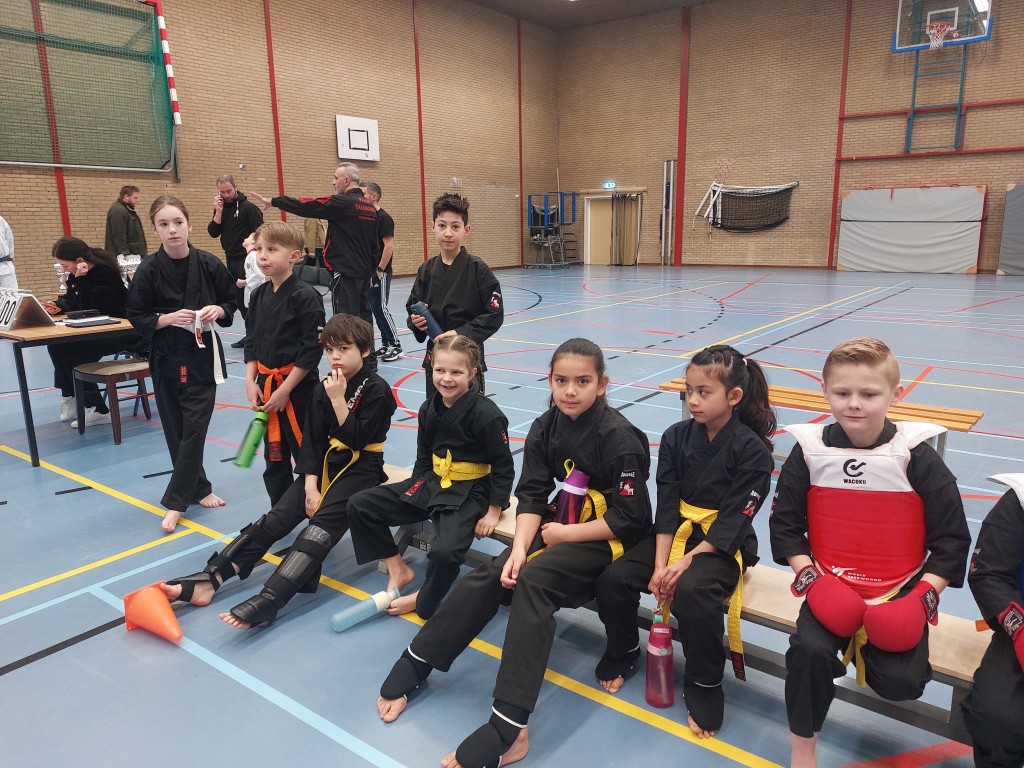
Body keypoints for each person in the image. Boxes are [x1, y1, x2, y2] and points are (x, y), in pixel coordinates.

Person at [374, 338, 651, 768]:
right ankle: (418, 661)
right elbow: (534, 496)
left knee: (534, 583)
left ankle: (510, 726)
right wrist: (520, 549)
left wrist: (564, 536)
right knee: (493, 572)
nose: (570, 390)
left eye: (582, 381)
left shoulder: (619, 437)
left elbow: (632, 517)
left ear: (602, 384)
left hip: (610, 537)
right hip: (561, 523)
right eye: (561, 380)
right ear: (550, 380)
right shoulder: (546, 426)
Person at [768, 337, 971, 768]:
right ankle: (802, 748)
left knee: (901, 682)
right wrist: (812, 580)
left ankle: (872, 647)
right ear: (825, 391)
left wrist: (920, 599)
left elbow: (952, 541)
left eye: (869, 394)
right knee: (808, 652)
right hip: (830, 581)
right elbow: (785, 527)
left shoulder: (917, 459)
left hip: (899, 588)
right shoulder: (809, 452)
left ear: (896, 395)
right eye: (842, 393)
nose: (854, 404)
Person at [159, 314, 397, 629]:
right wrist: (310, 486)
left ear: (365, 350)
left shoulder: (377, 390)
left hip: (362, 469)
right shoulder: (324, 387)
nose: (335, 357)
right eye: (330, 350)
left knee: (317, 531)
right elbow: (313, 441)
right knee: (276, 518)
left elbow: (357, 439)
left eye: (344, 349)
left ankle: (271, 599)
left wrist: (339, 401)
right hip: (326, 465)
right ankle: (210, 578)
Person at [593, 344, 776, 738]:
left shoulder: (753, 451)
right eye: (689, 390)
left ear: (734, 396)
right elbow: (667, 503)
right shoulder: (676, 436)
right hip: (674, 534)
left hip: (721, 544)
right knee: (615, 578)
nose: (692, 400)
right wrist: (661, 564)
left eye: (703, 392)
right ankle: (623, 649)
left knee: (692, 592)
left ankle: (705, 683)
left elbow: (735, 520)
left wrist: (683, 564)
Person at [347, 335, 513, 619]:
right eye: (440, 370)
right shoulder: (428, 408)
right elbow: (424, 456)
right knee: (361, 505)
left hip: (469, 491)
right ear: (430, 369)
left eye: (456, 372)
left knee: (445, 552)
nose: (447, 379)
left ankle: (424, 597)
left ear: (472, 373)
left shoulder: (486, 415)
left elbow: (503, 465)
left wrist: (493, 510)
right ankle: (398, 568)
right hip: (432, 482)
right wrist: (415, 489)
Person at [126, 195, 236, 534]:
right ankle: (199, 488)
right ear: (154, 229)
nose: (172, 229)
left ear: (189, 224)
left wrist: (219, 309)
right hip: (166, 357)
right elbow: (136, 315)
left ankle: (176, 502)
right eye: (164, 224)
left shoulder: (209, 264)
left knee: (195, 428)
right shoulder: (148, 269)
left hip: (201, 356)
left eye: (178, 222)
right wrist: (168, 318)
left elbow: (230, 300)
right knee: (176, 429)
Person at [243, 221, 325, 506]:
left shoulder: (306, 296)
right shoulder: (258, 295)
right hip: (266, 385)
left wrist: (286, 390)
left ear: (294, 256)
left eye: (272, 250)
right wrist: (250, 382)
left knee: (306, 451)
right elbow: (251, 341)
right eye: (259, 249)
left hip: (298, 389)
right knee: (274, 455)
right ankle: (281, 510)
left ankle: (315, 506)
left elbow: (311, 350)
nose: (262, 256)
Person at [251, 163, 377, 326]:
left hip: (345, 272)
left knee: (345, 319)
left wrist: (275, 202)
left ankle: (348, 343)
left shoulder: (342, 202)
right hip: (364, 273)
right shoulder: (369, 208)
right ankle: (366, 344)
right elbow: (375, 245)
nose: (333, 182)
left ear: (346, 181)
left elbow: (307, 205)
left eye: (335, 178)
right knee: (364, 317)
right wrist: (371, 271)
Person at [407, 193, 503, 398]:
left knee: (469, 412)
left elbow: (494, 314)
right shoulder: (426, 270)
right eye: (442, 226)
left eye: (455, 226)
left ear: (466, 230)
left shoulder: (478, 269)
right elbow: (412, 308)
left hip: (465, 355)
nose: (448, 233)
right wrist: (416, 322)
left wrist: (460, 333)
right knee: (434, 409)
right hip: (437, 358)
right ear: (433, 227)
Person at [960, 473, 1024, 768]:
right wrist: (1018, 626)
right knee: (994, 717)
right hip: (1020, 630)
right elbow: (989, 573)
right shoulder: (1021, 498)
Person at [43, 237, 142, 427]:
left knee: (73, 354)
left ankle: (97, 409)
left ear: (79, 261)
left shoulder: (105, 273)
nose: (64, 269)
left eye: (65, 265)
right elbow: (72, 300)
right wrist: (57, 305)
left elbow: (92, 308)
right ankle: (70, 395)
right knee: (55, 345)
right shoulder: (75, 275)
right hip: (96, 331)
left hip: (119, 332)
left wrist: (80, 280)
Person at [207, 175, 264, 349]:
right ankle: (250, 334)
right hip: (230, 258)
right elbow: (213, 232)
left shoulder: (248, 208)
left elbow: (261, 231)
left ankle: (258, 335)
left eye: (229, 191)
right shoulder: (221, 208)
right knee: (239, 299)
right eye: (222, 192)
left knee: (250, 299)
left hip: (246, 258)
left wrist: (253, 248)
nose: (226, 195)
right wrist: (218, 212)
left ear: (236, 187)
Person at [361, 181, 402, 361]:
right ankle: (386, 344)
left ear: (374, 196)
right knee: (375, 308)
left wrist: (379, 270)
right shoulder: (369, 217)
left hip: (381, 272)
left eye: (363, 194)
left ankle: (396, 345)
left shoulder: (384, 218)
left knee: (381, 308)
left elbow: (389, 246)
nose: (361, 197)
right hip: (370, 272)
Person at [104, 185, 147, 257]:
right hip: (125, 257)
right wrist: (125, 254)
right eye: (135, 198)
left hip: (132, 255)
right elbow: (119, 235)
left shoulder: (126, 211)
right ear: (126, 197)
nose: (137, 200)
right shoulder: (118, 211)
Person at [236, 232, 266, 314]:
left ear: (253, 241)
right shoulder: (250, 255)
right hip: (253, 292)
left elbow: (260, 274)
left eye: (248, 237)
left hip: (257, 292)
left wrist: (245, 282)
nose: (244, 239)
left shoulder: (253, 255)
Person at [0, 211, 15, 290]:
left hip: (5, 266)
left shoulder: (0, 220)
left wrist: (10, 257)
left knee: (11, 293)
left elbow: (9, 238)